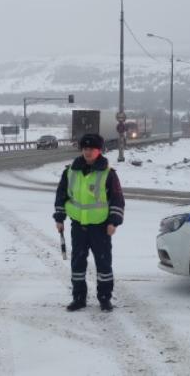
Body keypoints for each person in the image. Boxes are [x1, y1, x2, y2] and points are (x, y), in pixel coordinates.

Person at [53, 133, 125, 312]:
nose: (87, 152)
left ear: (98, 150)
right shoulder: (70, 171)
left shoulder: (108, 173)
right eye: (85, 149)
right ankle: (78, 298)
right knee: (77, 264)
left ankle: (104, 298)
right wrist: (59, 218)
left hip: (100, 227)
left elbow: (117, 199)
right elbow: (61, 195)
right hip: (78, 225)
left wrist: (113, 222)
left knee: (103, 265)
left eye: (91, 149)